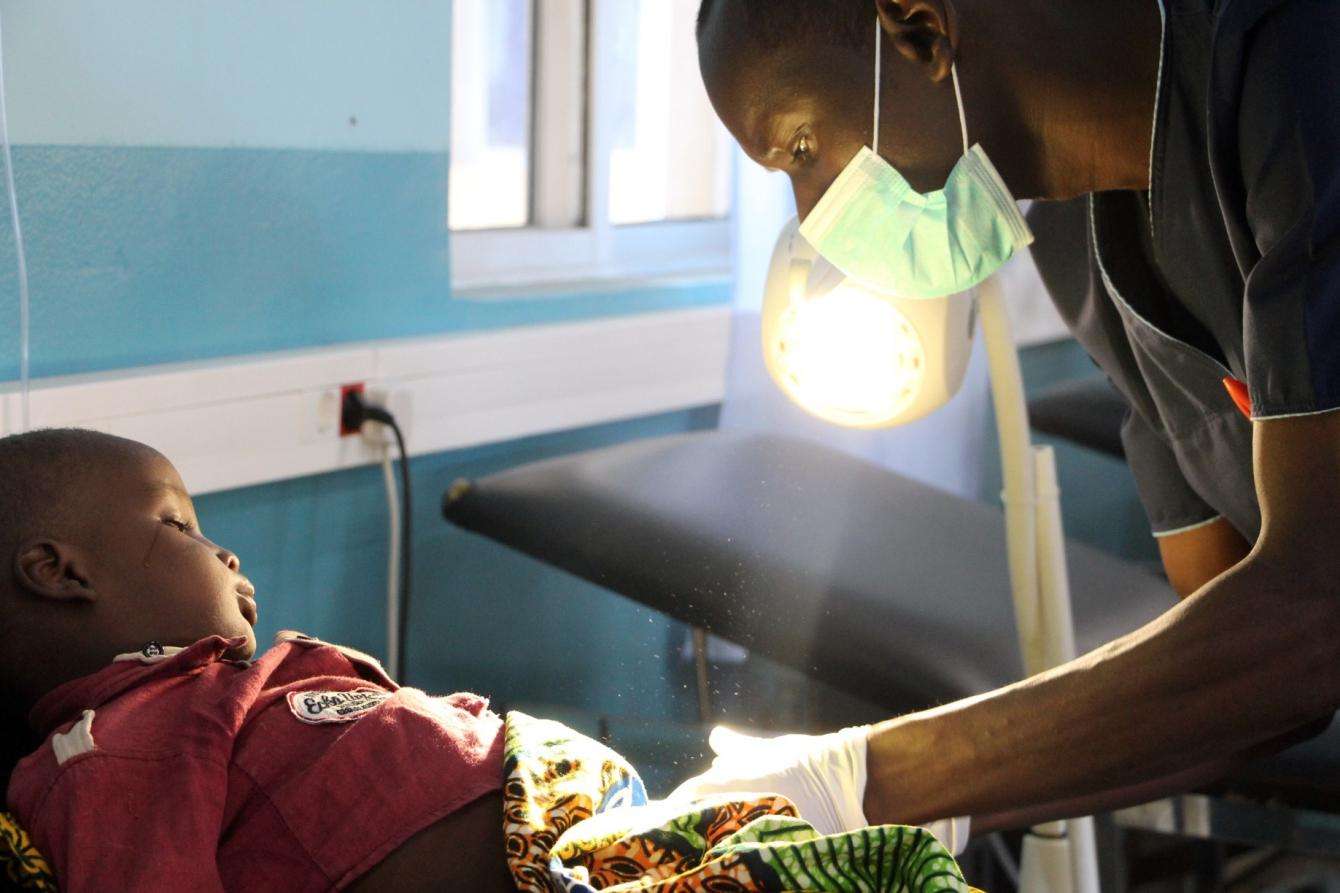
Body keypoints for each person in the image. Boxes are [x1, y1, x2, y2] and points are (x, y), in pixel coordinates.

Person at [694, 0, 1340, 833]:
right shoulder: (1084, 246)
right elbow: (1243, 695)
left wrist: (861, 776)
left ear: (919, 30)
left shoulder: (1294, 64)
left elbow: (1311, 618)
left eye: (804, 150)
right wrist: (889, 815)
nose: (812, 217)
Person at [0, 428, 972, 892]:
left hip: (573, 833)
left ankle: (814, 802)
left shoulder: (213, 693)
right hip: (540, 871)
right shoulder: (107, 749)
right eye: (177, 525)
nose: (226, 553)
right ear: (58, 571)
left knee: (818, 851)